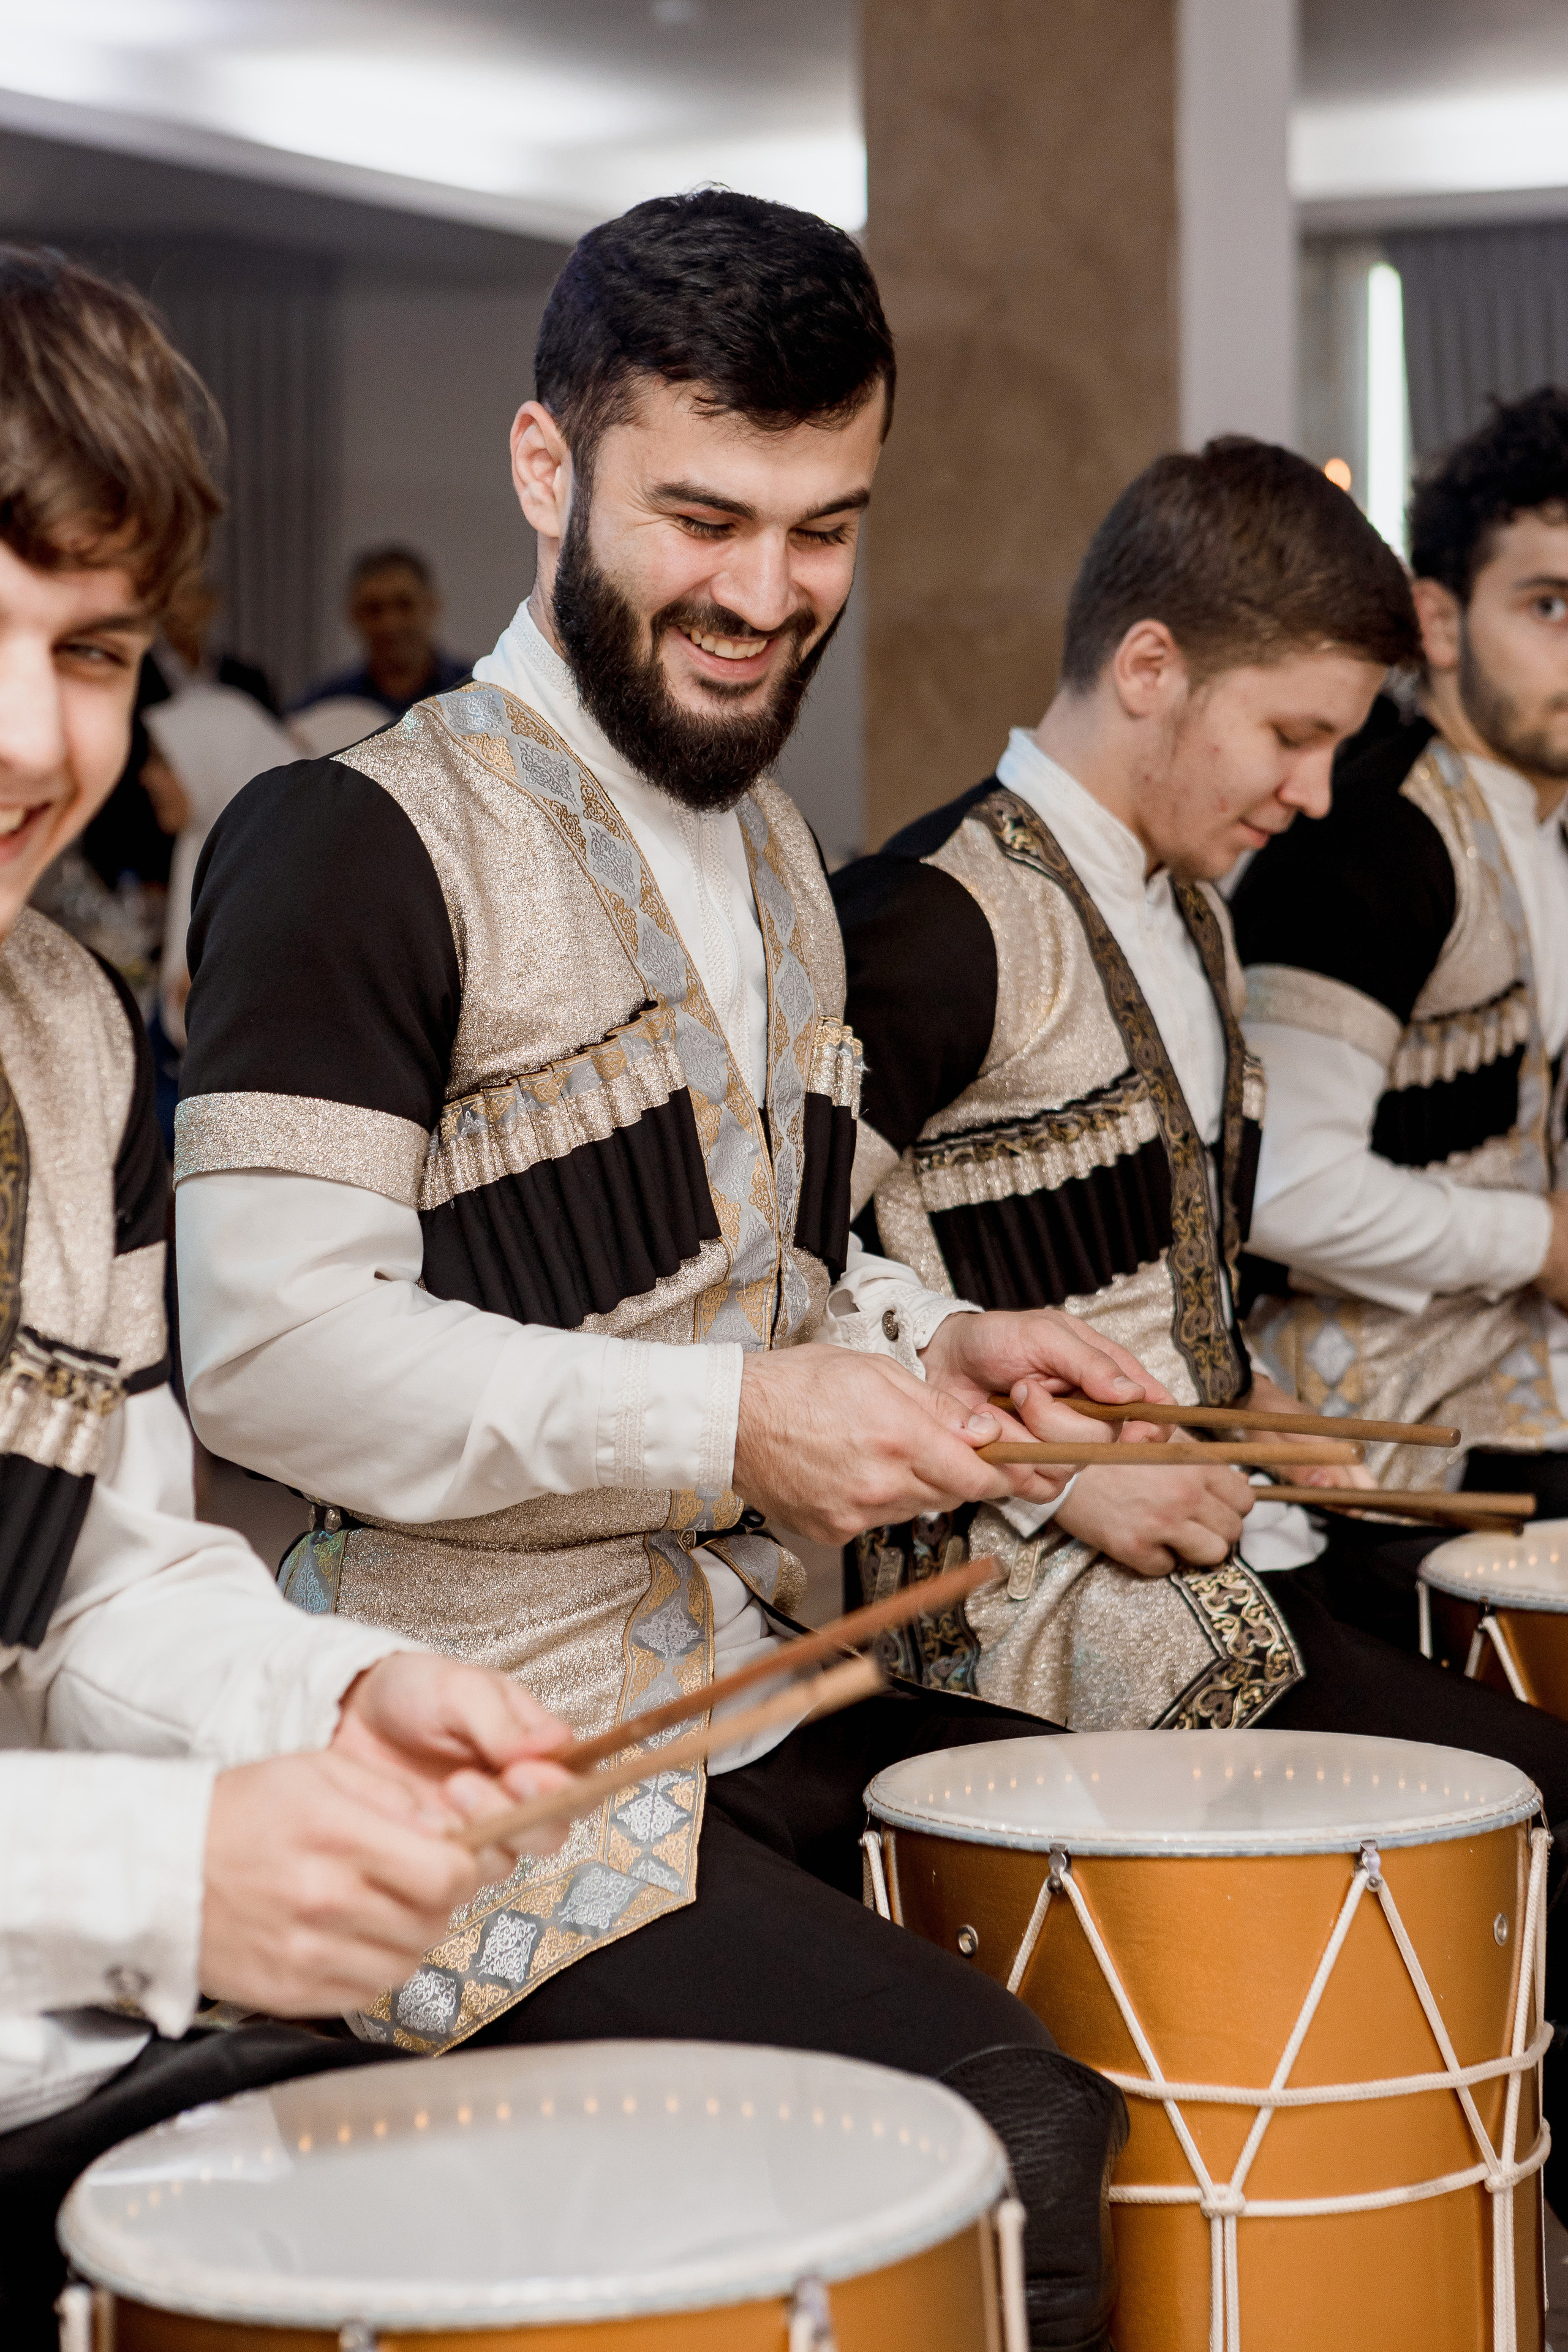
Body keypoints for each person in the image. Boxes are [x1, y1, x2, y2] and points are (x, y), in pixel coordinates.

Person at [175, 193, 1175, 2352]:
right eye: (704, 514)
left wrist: (935, 1342)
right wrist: (739, 1424)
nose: (765, 593)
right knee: (1009, 2110)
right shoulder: (351, 838)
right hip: (471, 1775)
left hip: (742, 1687)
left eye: (825, 528)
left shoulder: (793, 872)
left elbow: (776, 1283)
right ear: (550, 470)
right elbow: (262, 1353)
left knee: (1119, 1891)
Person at [832, 432, 1568, 2209]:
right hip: (1017, 1599)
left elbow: (1161, 1270)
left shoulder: (1189, 916)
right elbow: (766, 1286)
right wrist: (1049, 1476)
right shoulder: (928, 924)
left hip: (1216, 1534)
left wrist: (1243, 1405)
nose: (1316, 794)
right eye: (1292, 736)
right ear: (1150, 668)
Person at [0, 243, 577, 2348]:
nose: (27, 735)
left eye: (86, 649)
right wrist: (163, 1880)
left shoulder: (66, 1043)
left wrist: (323, 1704)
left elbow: (103, 1568)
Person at [1233, 390, 1568, 1637]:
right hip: (1373, 1479)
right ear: (1435, 619)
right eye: (1547, 606)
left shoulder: (1543, 823)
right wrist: (1532, 1242)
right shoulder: (1368, 838)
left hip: (1520, 1419)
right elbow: (1278, 1190)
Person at [290, 543, 470, 729]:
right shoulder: (322, 708)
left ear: (432, 606)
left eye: (404, 605)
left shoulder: (483, 696)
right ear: (354, 616)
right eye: (374, 609)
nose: (390, 624)